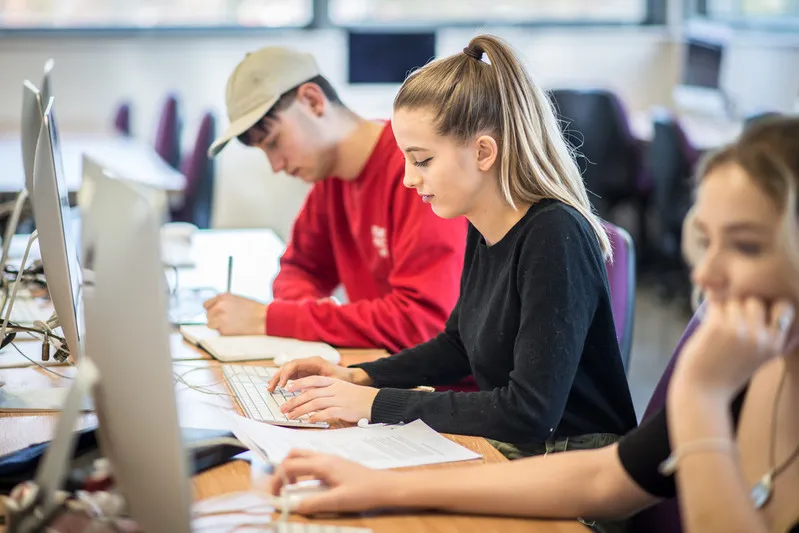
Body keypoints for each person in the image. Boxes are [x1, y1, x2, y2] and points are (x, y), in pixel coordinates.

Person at [269, 116, 799, 533]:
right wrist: (380, 483)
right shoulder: (750, 369)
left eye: (747, 246)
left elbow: (538, 417)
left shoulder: (714, 380)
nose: (705, 273)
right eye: (705, 241)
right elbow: (608, 475)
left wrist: (699, 402)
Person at [266, 35, 638, 456]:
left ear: (483, 151)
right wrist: (358, 375)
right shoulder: (484, 225)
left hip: (577, 464)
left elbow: (530, 411)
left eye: (422, 160)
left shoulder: (555, 235)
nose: (408, 178)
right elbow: (458, 345)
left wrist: (375, 403)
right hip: (528, 447)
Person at [203, 46, 467, 353]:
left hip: (442, 391)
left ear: (313, 101)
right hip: (383, 371)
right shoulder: (330, 180)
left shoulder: (416, 173)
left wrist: (271, 319)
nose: (275, 166)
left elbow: (423, 321)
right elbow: (299, 269)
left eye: (274, 142)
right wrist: (306, 318)